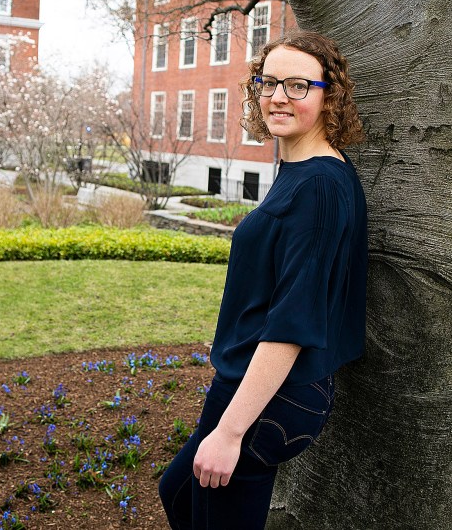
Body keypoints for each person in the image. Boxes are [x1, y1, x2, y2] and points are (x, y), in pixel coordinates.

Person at [158, 31, 368, 529]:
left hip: (272, 395)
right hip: (249, 382)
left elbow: (293, 322)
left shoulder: (318, 186)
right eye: (268, 82)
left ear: (328, 95)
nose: (278, 97)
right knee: (179, 492)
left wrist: (231, 433)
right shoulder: (300, 168)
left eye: (298, 86)